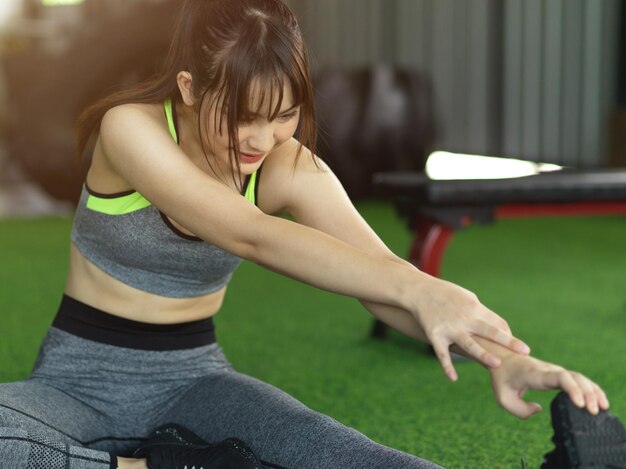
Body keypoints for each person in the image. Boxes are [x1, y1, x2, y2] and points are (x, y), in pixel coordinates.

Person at [0, 0, 611, 467]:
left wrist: (501, 358)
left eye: (282, 116)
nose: (259, 141)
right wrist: (417, 288)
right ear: (189, 89)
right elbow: (251, 236)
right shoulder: (129, 130)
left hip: (195, 380)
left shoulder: (287, 166)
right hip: (73, 382)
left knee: (329, 446)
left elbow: (382, 283)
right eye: (240, 115)